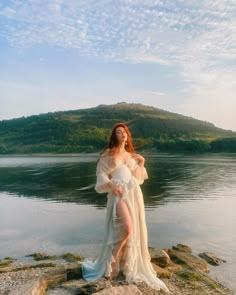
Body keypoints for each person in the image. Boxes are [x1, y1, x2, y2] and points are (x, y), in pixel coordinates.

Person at [81, 123, 169, 293]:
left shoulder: (130, 155)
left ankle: (123, 264)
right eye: (118, 132)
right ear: (114, 136)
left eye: (124, 132)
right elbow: (101, 173)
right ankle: (112, 262)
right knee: (127, 228)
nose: (122, 134)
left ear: (127, 136)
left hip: (133, 192)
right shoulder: (109, 153)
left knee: (133, 229)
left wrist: (142, 162)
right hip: (118, 192)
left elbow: (137, 177)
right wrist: (111, 185)